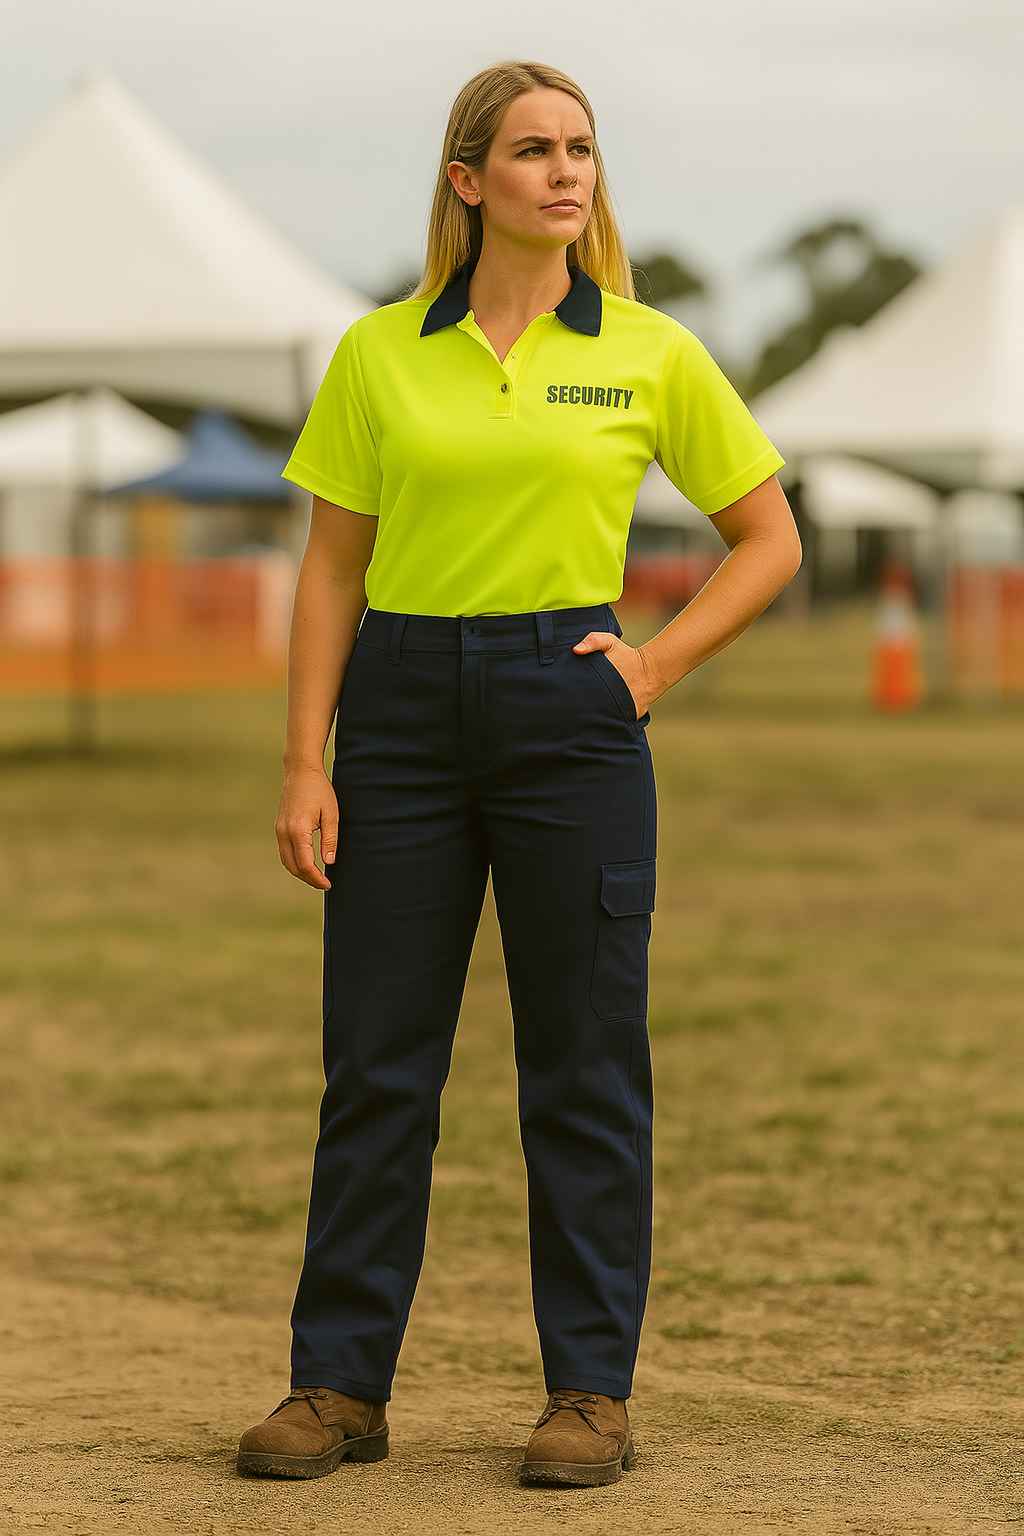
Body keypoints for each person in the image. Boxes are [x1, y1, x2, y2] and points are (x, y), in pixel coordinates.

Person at [237, 60, 801, 1489]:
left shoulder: (653, 354)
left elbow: (770, 537)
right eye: (535, 150)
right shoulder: (379, 354)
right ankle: (338, 1390)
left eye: (584, 150)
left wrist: (655, 669)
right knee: (375, 1065)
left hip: (574, 712)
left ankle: (588, 1398)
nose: (567, 172)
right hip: (405, 709)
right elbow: (330, 570)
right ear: (467, 178)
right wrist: (306, 759)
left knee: (584, 1065)